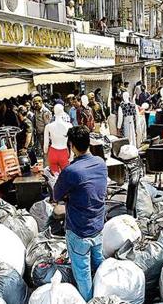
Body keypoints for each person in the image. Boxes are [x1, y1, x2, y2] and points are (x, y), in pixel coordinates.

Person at [53, 126, 107, 301]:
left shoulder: (71, 171)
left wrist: (67, 194)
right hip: (98, 226)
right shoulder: (100, 162)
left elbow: (56, 195)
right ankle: (102, 296)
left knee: (83, 275)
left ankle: (89, 300)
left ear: (72, 146)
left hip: (79, 231)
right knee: (99, 265)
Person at [44, 104, 72, 174]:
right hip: (64, 152)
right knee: (66, 176)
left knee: (54, 178)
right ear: (63, 112)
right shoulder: (69, 126)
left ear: (54, 112)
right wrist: (71, 155)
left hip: (53, 152)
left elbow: (45, 146)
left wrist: (46, 153)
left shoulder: (48, 126)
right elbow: (72, 142)